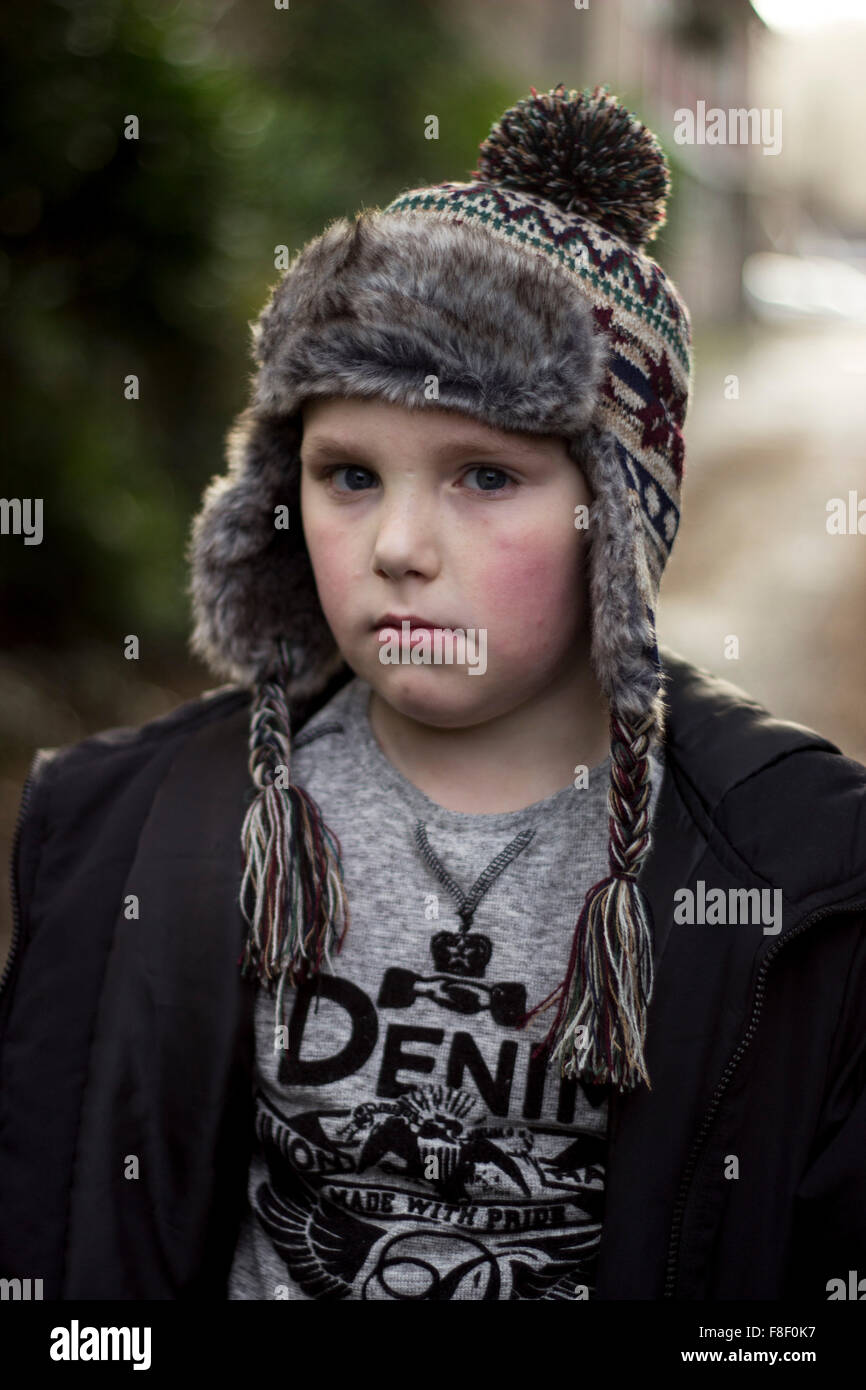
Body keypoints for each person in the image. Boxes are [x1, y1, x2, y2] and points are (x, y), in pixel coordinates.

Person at [1, 84, 865, 1302]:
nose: (398, 544)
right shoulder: (124, 835)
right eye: (347, 474)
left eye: (482, 475)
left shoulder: (804, 873)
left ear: (610, 522)